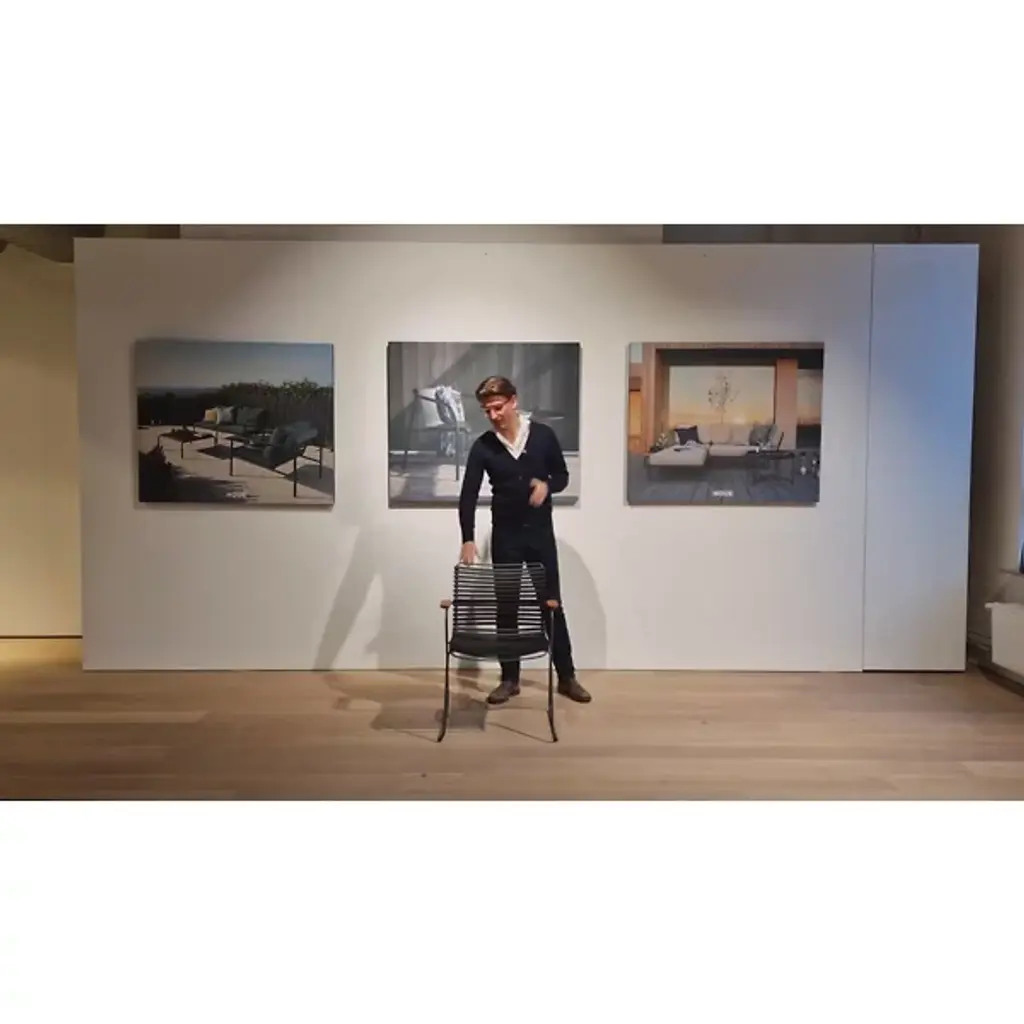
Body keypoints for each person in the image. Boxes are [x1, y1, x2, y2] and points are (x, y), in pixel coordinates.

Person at [457, 375, 591, 706]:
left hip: (540, 536)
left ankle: (567, 676)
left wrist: (547, 485)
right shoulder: (484, 446)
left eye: (497, 407)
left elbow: (562, 475)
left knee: (551, 604)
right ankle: (510, 679)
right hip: (505, 537)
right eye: (486, 410)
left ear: (513, 401)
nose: (493, 415)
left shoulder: (543, 436)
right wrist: (468, 538)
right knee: (507, 607)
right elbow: (468, 495)